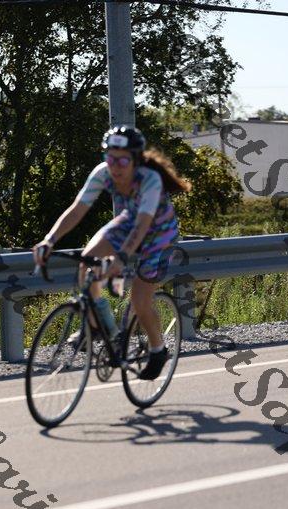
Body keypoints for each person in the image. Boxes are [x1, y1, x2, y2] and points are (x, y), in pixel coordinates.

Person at [33, 125, 191, 380]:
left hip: (158, 234)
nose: (115, 166)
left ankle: (158, 349)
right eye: (110, 158)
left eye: (123, 160)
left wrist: (121, 258)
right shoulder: (103, 173)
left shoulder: (149, 179)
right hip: (130, 222)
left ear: (136, 159)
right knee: (86, 263)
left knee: (140, 302)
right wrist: (49, 240)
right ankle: (101, 327)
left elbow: (143, 225)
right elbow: (78, 209)